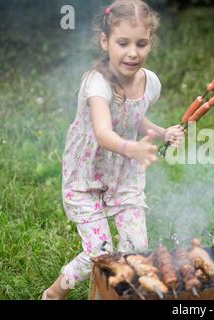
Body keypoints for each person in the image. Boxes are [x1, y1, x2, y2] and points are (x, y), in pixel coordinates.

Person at [42, 0, 184, 299]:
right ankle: (54, 293)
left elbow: (134, 116)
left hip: (123, 176)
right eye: (123, 43)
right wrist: (131, 148)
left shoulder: (150, 83)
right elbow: (103, 131)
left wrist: (162, 132)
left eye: (141, 44)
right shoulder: (98, 84)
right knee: (101, 252)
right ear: (105, 41)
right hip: (87, 176)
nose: (133, 52)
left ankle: (107, 295)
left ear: (150, 43)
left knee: (136, 248)